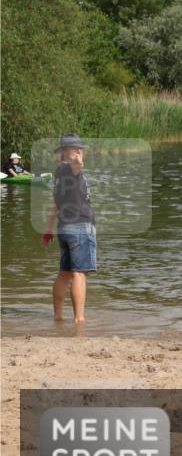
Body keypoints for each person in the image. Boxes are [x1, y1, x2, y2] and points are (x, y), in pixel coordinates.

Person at [41, 134, 96, 324]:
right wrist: (77, 160)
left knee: (63, 274)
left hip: (64, 228)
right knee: (79, 273)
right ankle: (79, 319)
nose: (80, 151)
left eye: (80, 148)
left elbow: (55, 204)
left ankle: (58, 317)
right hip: (80, 226)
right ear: (65, 153)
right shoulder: (70, 169)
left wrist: (49, 228)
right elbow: (78, 165)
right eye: (76, 148)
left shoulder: (58, 174)